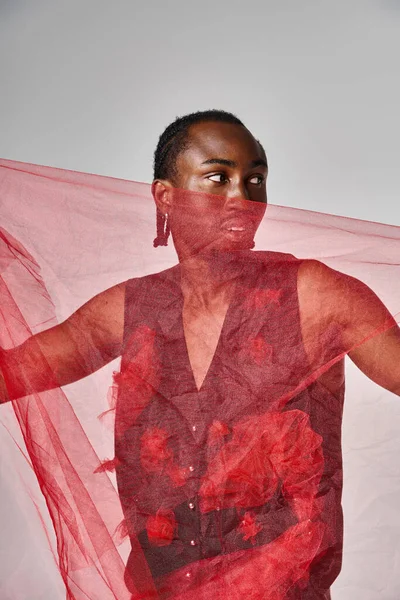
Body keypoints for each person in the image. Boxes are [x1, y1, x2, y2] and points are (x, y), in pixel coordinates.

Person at [1, 110, 399, 600]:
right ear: (164, 195)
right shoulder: (130, 309)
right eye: (218, 178)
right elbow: (14, 372)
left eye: (256, 179)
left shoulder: (317, 297)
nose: (244, 198)